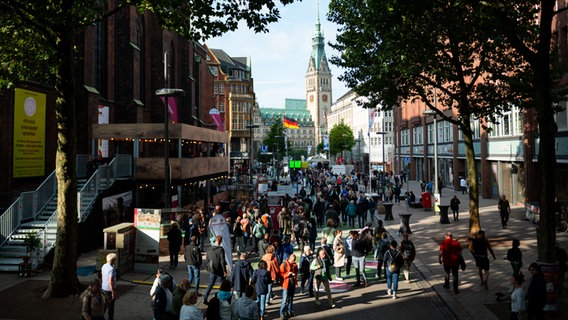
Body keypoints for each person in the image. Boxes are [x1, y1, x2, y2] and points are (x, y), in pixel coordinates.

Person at [204, 235, 228, 305]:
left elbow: (207, 258)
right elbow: (222, 261)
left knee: (211, 284)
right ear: (220, 241)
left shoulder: (209, 248)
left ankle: (205, 298)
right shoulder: (220, 249)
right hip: (219, 270)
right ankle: (223, 299)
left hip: (212, 269)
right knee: (222, 285)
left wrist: (209, 266)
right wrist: (224, 270)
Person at [279, 253, 298, 320]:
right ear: (289, 258)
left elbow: (296, 273)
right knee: (285, 300)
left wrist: (294, 275)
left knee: (291, 299)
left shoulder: (295, 265)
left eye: (294, 260)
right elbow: (280, 275)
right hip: (286, 284)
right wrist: (288, 274)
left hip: (292, 283)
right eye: (292, 260)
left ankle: (289, 311)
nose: (293, 262)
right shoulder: (283, 264)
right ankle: (282, 313)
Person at [101, 252, 117, 320]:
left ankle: (100, 317)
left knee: (103, 305)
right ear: (113, 260)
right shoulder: (111, 269)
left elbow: (102, 275)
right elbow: (111, 281)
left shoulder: (104, 266)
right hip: (109, 290)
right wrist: (112, 291)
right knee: (110, 307)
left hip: (103, 288)